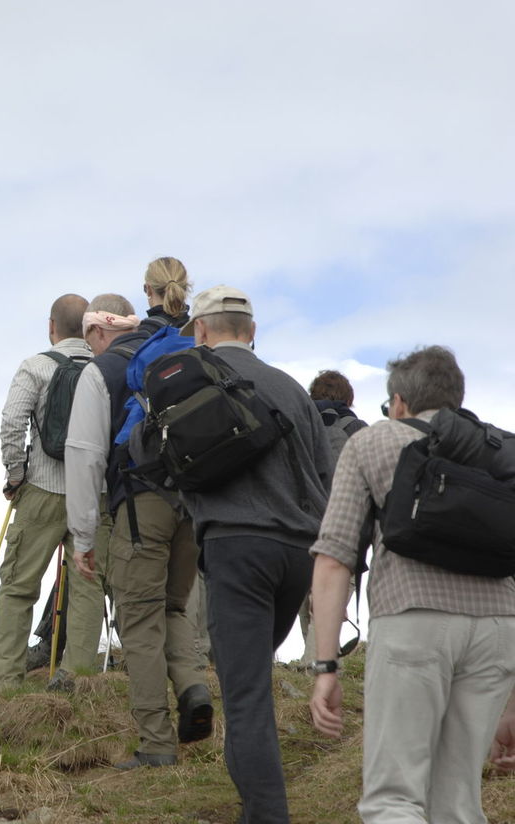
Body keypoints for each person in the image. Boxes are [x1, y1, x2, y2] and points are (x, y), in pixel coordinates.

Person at [308, 346, 515, 822]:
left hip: (413, 620)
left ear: (398, 403)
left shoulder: (373, 442)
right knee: (459, 803)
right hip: (499, 629)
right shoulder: (499, 450)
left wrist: (325, 667)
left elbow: (335, 557)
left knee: (393, 799)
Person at [176, 285, 332, 822]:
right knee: (251, 675)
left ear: (200, 330)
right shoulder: (292, 390)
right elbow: (326, 476)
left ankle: (267, 814)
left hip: (236, 547)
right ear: (253, 332)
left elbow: (174, 471)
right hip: (298, 553)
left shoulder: (191, 381)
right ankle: (255, 802)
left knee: (246, 694)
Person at [67, 261, 212, 768]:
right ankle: (194, 687)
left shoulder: (103, 370)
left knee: (138, 619)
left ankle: (156, 743)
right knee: (172, 608)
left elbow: (84, 455)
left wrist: (83, 536)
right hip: (193, 502)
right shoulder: (200, 351)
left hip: (138, 504)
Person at [0, 294, 102, 689]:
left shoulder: (35, 366)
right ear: (89, 327)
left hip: (42, 488)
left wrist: (16, 474)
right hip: (94, 493)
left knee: (19, 586)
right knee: (88, 587)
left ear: (51, 326)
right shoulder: (104, 368)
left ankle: (6, 681)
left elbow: (11, 422)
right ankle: (77, 678)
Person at [297, 369, 367, 667]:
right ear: (348, 398)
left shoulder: (297, 424)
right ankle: (315, 659)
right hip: (345, 522)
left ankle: (310, 655)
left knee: (306, 590)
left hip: (300, 519)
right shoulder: (357, 429)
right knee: (331, 592)